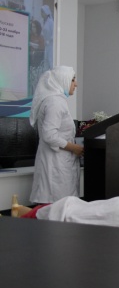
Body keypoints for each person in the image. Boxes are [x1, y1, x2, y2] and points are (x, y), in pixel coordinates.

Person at [29, 66, 84, 204]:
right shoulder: (55, 102)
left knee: (60, 204)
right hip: (55, 164)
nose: (76, 84)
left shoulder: (56, 100)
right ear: (62, 80)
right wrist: (73, 148)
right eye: (72, 80)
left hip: (58, 161)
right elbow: (49, 135)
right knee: (56, 205)